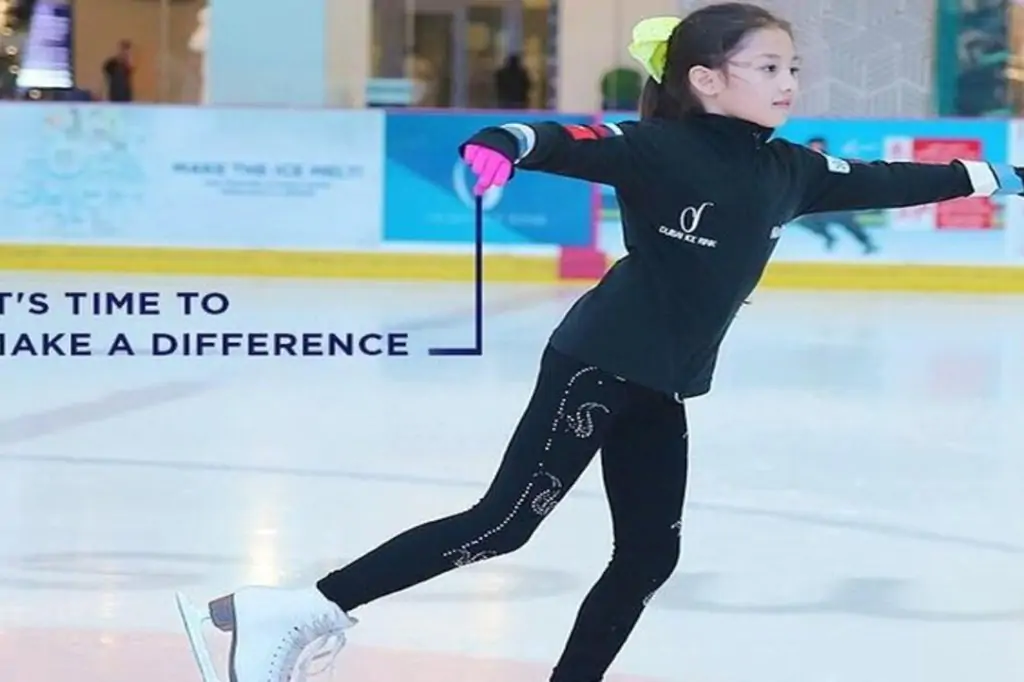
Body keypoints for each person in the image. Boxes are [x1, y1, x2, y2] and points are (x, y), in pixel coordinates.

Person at [175, 4, 1024, 682]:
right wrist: (502, 143)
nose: (788, 81)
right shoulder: (659, 149)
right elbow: (567, 142)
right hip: (599, 363)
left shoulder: (789, 170)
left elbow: (902, 178)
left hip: (661, 382)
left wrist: (1006, 171)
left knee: (650, 552)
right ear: (706, 80)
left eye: (792, 67)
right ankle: (298, 606)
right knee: (504, 523)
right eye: (768, 67)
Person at [789, 136, 880, 254]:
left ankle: (868, 244)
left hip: (837, 202)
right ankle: (828, 237)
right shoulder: (802, 164)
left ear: (824, 147)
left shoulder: (834, 162)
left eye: (818, 146)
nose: (815, 149)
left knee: (851, 225)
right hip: (817, 205)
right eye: (812, 146)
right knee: (803, 221)